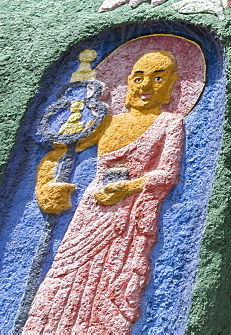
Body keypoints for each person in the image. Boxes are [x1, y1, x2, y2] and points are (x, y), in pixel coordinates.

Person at [25, 51, 184, 334]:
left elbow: (167, 174)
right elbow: (59, 150)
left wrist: (127, 187)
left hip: (129, 215)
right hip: (91, 210)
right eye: (139, 77)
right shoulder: (108, 121)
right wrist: (45, 187)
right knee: (65, 272)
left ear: (172, 85)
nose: (146, 86)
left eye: (158, 78)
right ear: (128, 82)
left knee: (114, 278)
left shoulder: (169, 123)